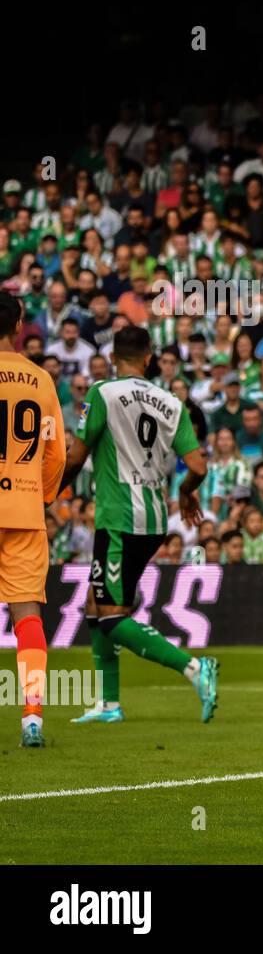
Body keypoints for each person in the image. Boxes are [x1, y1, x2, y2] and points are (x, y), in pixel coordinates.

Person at [58, 325, 219, 723]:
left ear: (113, 357)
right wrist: (185, 492)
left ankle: (194, 668)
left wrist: (49, 491)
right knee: (96, 606)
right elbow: (198, 466)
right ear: (149, 358)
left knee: (111, 615)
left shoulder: (102, 393)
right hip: (155, 517)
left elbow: (76, 457)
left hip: (119, 518)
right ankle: (109, 704)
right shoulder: (172, 402)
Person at [0, 290, 66, 747]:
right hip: (23, 508)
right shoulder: (40, 379)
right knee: (28, 617)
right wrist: (40, 494)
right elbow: (55, 451)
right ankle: (32, 715)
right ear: (18, 326)